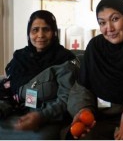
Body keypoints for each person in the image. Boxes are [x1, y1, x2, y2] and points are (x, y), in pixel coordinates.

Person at [67, 0, 123, 140]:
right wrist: (83, 109)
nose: (109, 28)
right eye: (102, 23)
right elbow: (82, 86)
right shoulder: (95, 47)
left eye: (115, 19)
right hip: (97, 120)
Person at [0, 10, 78, 139]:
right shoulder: (20, 57)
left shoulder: (64, 60)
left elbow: (66, 100)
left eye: (46, 29)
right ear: (29, 33)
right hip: (15, 113)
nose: (40, 35)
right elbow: (9, 89)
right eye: (35, 30)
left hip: (47, 118)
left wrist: (41, 116)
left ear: (54, 33)